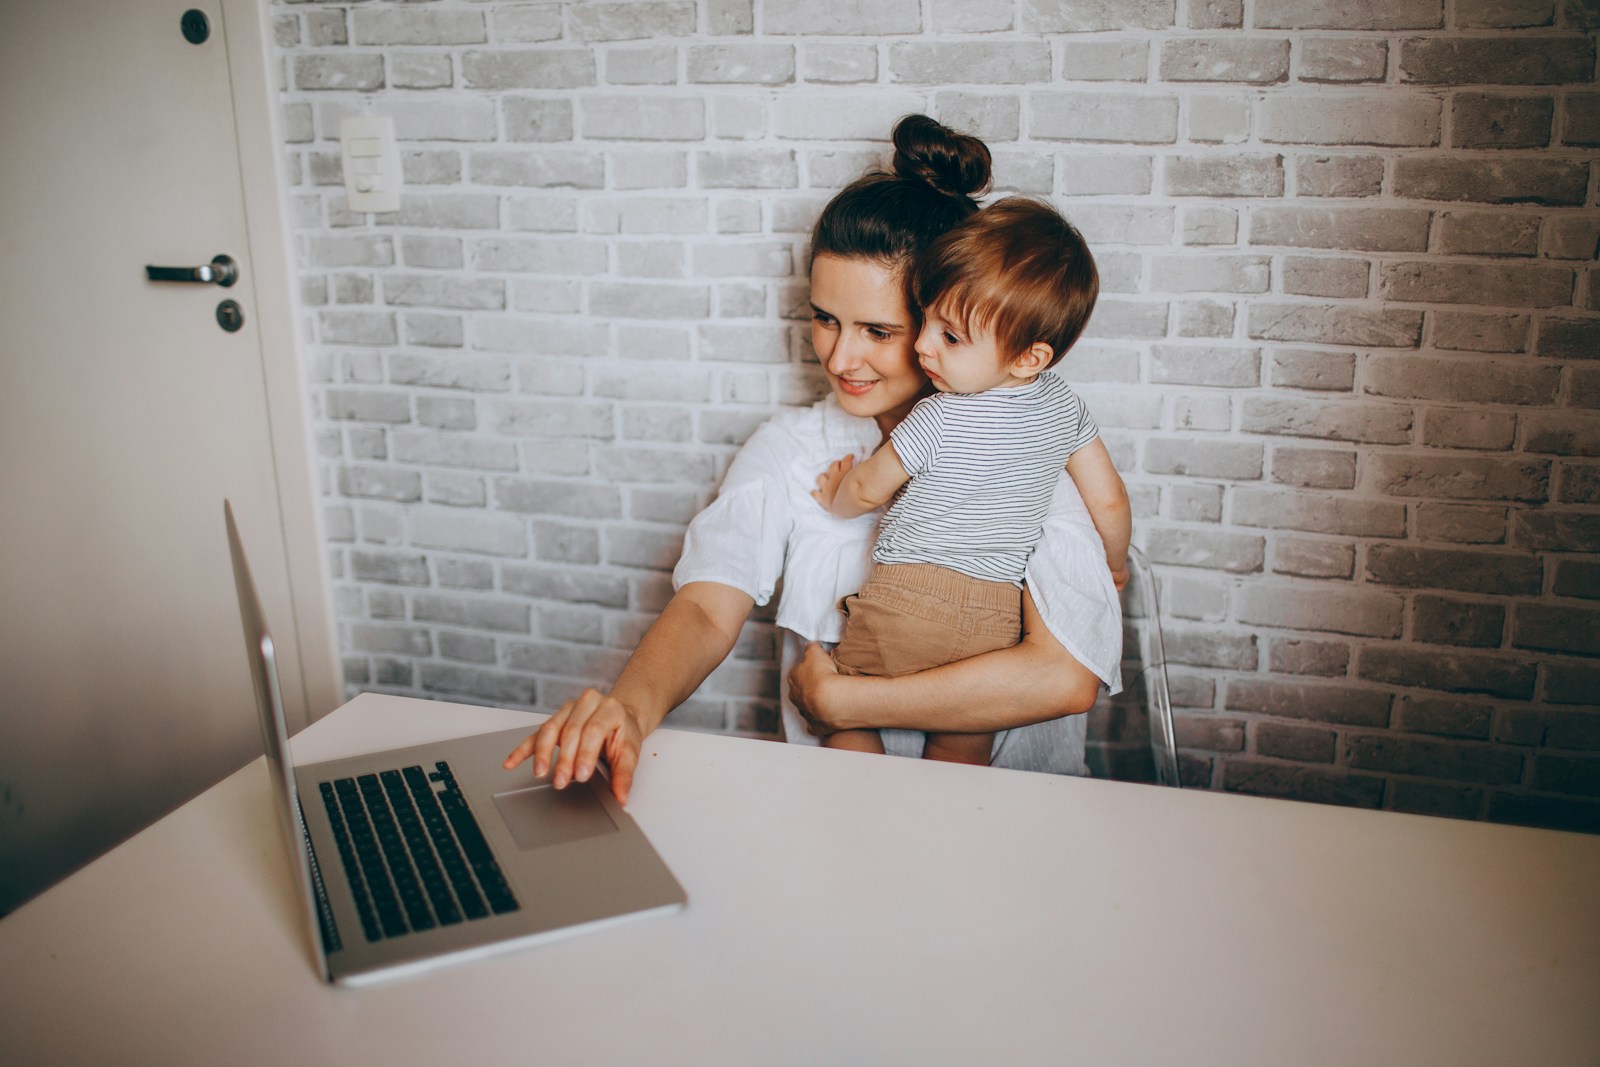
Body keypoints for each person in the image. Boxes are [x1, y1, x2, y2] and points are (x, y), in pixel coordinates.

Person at [503, 114, 1124, 804]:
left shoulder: (1025, 458)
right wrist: (631, 706)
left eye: (877, 330)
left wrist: (847, 705)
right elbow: (709, 607)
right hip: (838, 828)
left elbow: (1064, 676)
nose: (838, 356)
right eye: (825, 318)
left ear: (948, 321)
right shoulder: (793, 447)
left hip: (1018, 827)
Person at [811, 197, 1131, 766]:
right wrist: (1114, 562)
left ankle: (856, 804)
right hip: (993, 619)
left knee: (840, 706)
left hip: (903, 602)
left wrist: (834, 496)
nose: (923, 344)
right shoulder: (1064, 408)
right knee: (963, 741)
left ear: (1030, 357)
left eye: (951, 337)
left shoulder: (936, 416)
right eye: (927, 320)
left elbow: (866, 490)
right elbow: (1107, 498)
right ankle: (944, 834)